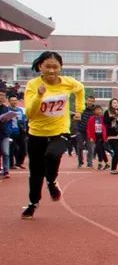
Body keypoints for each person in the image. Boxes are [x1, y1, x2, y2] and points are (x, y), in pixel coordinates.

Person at [21, 51, 86, 218]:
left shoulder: (68, 83)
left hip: (60, 130)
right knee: (36, 171)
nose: (51, 71)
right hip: (37, 132)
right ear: (40, 66)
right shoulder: (33, 85)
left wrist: (79, 109)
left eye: (55, 67)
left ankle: (51, 181)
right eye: (47, 67)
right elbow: (29, 113)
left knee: (52, 155)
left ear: (61, 68)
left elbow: (80, 89)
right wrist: (39, 95)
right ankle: (32, 203)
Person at [104, 99, 118, 174]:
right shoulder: (107, 112)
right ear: (111, 104)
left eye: (117, 103)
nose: (116, 104)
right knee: (116, 151)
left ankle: (114, 168)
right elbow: (105, 122)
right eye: (114, 103)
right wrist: (112, 117)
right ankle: (112, 169)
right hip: (112, 135)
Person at [75, 95, 97, 169]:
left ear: (94, 102)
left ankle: (89, 163)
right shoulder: (81, 108)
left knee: (91, 147)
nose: (90, 102)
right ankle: (80, 162)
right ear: (86, 101)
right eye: (89, 100)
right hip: (80, 130)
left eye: (92, 101)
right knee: (80, 146)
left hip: (90, 132)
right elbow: (76, 118)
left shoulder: (95, 111)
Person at [85, 105, 108, 170]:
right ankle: (107, 163)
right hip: (95, 136)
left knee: (99, 149)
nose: (99, 111)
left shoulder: (103, 118)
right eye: (97, 110)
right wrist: (90, 137)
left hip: (102, 135)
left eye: (100, 109)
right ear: (94, 111)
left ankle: (100, 163)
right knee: (101, 150)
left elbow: (106, 128)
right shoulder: (92, 119)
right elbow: (88, 129)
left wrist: (106, 136)